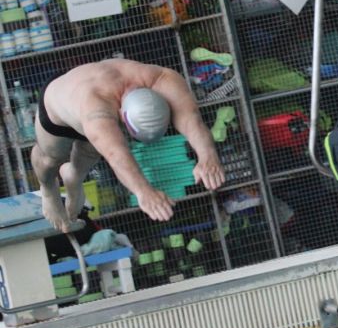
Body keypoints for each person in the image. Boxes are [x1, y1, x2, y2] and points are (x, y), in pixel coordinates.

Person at [31, 59, 225, 232]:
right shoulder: (97, 110)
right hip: (57, 109)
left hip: (95, 110)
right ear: (123, 114)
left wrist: (208, 156)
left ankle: (74, 176)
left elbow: (191, 119)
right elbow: (117, 155)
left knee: (91, 150)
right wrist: (143, 192)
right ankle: (48, 189)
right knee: (50, 160)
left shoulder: (162, 79)